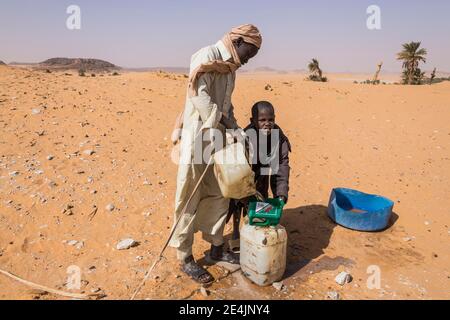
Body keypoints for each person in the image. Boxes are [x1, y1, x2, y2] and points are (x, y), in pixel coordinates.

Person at [170, 24, 262, 284]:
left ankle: (215, 248)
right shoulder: (206, 56)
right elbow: (201, 98)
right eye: (248, 53)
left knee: (220, 192)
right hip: (198, 139)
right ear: (238, 41)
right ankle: (185, 257)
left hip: (218, 140)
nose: (246, 60)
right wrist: (225, 122)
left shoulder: (230, 70)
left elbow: (225, 104)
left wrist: (235, 128)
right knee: (189, 195)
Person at [227, 101, 291, 248]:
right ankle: (236, 232)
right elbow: (238, 166)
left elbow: (282, 166)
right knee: (237, 202)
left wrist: (281, 193)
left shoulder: (279, 138)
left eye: (271, 120)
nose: (267, 124)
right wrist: (245, 191)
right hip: (244, 173)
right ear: (253, 121)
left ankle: (255, 230)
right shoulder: (245, 138)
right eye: (262, 120)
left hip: (263, 175)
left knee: (261, 201)